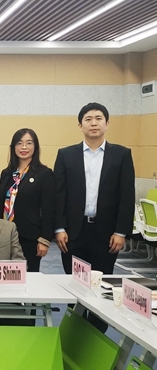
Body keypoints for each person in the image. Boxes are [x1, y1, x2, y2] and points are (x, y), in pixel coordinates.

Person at [54, 102, 135, 333]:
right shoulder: (66, 155)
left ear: (107, 123)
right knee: (76, 287)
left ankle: (96, 336)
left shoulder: (121, 154)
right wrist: (59, 228)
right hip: (72, 234)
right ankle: (74, 334)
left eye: (99, 118)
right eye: (88, 119)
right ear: (80, 125)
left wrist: (121, 231)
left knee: (102, 290)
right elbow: (59, 194)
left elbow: (126, 195)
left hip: (106, 236)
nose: (93, 123)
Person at [0, 128, 55, 272]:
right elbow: (0, 204)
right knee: (3, 274)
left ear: (35, 147)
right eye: (19, 143)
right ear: (13, 147)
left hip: (29, 237)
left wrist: (45, 239)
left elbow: (49, 209)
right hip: (3, 236)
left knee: (27, 276)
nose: (24, 147)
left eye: (29, 143)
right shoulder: (7, 173)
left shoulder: (44, 174)